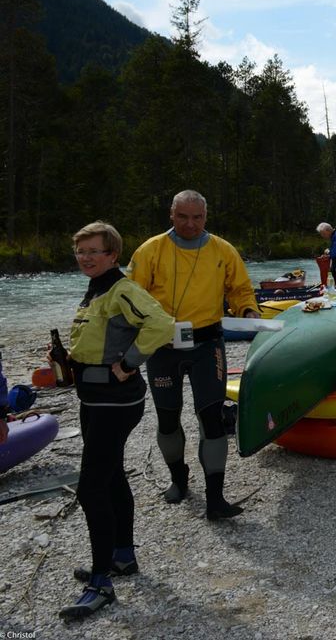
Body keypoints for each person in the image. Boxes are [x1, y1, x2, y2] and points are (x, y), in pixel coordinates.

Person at [60, 222, 174, 620]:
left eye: (94, 251)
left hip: (115, 402)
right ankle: (122, 558)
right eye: (81, 251)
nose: (86, 258)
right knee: (111, 478)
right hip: (93, 398)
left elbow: (161, 324)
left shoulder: (123, 288)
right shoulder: (97, 289)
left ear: (113, 255)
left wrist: (129, 364)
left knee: (90, 489)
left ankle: (101, 581)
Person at [127, 190, 258, 520]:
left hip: (207, 344)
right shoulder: (150, 251)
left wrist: (247, 311)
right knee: (168, 418)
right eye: (183, 216)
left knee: (212, 418)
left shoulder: (222, 250)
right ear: (171, 214)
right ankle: (179, 480)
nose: (190, 224)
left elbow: (240, 289)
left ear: (206, 216)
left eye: (197, 217)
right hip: (162, 347)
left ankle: (215, 498)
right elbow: (131, 297)